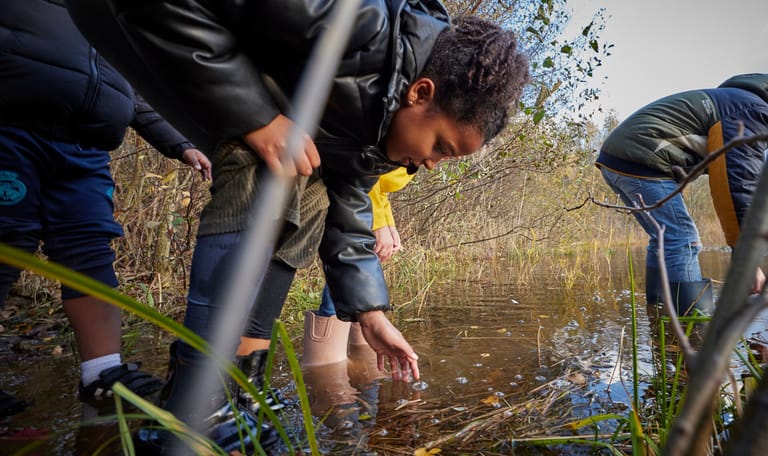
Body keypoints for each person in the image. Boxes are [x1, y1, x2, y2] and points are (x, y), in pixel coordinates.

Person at [66, 0, 530, 452]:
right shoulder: (352, 19)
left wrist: (372, 315)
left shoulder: (378, 130)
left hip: (207, 64)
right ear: (421, 92)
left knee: (313, 188)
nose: (431, 165)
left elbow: (348, 217)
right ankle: (198, 400)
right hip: (134, 18)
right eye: (441, 148)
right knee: (274, 164)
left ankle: (241, 385)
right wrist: (260, 118)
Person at [0, 0, 211, 410]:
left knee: (90, 246)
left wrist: (180, 141)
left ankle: (102, 372)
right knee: (8, 237)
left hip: (87, 145)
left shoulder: (110, 16)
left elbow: (130, 90)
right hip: (13, 125)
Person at [596, 73, 768, 316]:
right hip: (642, 158)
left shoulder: (736, 101)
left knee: (665, 237)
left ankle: (660, 318)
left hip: (622, 159)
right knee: (683, 237)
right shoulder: (751, 111)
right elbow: (734, 185)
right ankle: (692, 331)